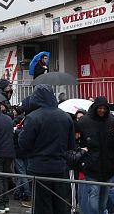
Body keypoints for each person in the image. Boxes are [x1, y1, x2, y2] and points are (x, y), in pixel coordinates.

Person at [18, 84, 75, 214]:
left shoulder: (33, 117)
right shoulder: (65, 117)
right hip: (60, 168)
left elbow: (24, 144)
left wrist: (21, 133)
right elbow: (71, 145)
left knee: (42, 206)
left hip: (39, 168)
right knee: (59, 204)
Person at [76, 96, 114, 214]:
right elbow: (74, 137)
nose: (102, 111)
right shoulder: (84, 121)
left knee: (103, 201)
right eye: (100, 108)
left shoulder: (111, 121)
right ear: (95, 108)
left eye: (104, 108)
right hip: (91, 167)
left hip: (108, 167)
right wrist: (80, 149)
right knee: (93, 198)